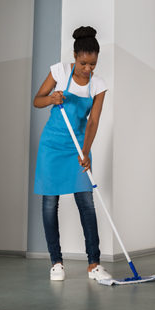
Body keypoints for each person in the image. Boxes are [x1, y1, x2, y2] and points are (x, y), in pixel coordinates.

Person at [33, 26, 111, 281]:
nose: (88, 69)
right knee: (49, 203)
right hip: (52, 146)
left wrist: (86, 152)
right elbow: (37, 100)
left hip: (78, 146)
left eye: (93, 64)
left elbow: (93, 122)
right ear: (75, 56)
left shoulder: (98, 85)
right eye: (83, 63)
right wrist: (53, 98)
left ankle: (94, 264)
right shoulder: (60, 71)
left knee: (86, 203)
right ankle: (56, 262)